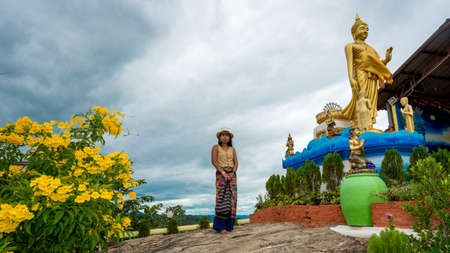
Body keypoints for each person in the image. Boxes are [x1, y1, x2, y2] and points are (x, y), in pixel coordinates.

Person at [341, 13, 393, 126]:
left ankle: (369, 124)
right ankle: (360, 124)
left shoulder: (371, 49)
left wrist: (387, 59)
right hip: (360, 73)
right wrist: (351, 78)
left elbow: (377, 64)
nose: (365, 31)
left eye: (367, 29)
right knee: (361, 97)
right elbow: (349, 64)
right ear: (354, 32)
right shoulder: (350, 46)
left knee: (371, 101)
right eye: (362, 28)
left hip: (372, 77)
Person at [211, 127, 238, 234]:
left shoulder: (233, 149)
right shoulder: (215, 147)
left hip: (232, 175)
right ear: (219, 137)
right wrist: (223, 173)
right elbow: (214, 161)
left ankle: (229, 226)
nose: (225, 137)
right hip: (221, 174)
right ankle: (220, 227)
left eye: (227, 135)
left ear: (230, 137)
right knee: (221, 198)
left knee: (232, 198)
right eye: (223, 134)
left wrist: (232, 173)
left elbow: (236, 163)